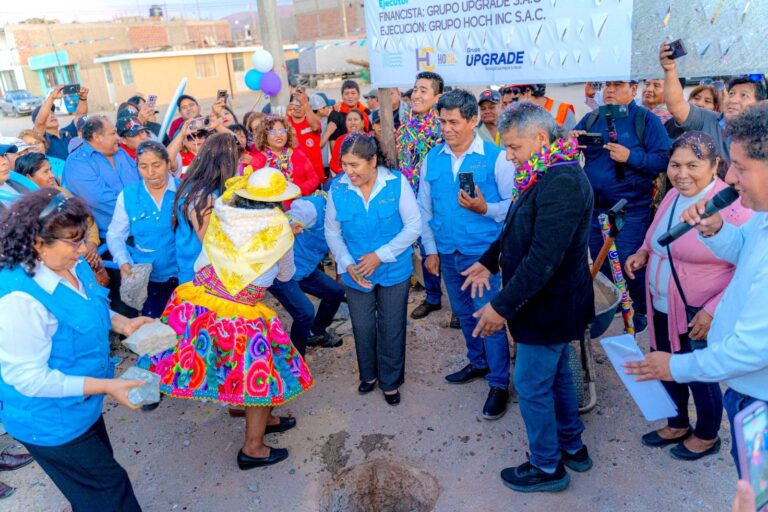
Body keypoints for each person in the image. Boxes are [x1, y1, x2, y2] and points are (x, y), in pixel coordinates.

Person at [624, 104, 768, 474]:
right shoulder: (762, 218)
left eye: (741, 167)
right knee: (752, 485)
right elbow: (741, 249)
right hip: (747, 390)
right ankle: (678, 424)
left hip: (759, 400)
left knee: (760, 488)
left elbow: (751, 350)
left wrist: (677, 364)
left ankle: (705, 433)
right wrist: (716, 230)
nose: (731, 178)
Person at [140, 167, 314, 469]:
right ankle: (253, 448)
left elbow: (202, 261)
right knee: (261, 377)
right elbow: (287, 275)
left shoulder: (223, 215)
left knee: (233, 367)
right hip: (241, 314)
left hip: (200, 300)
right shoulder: (280, 229)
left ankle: (259, 417)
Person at [462, 102, 594, 493]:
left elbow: (542, 259)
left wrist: (500, 307)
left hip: (548, 306)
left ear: (541, 139)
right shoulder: (544, 170)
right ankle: (572, 445)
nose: (508, 155)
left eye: (514, 147)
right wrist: (489, 261)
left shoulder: (563, 182)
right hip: (544, 303)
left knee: (532, 383)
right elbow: (517, 225)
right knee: (556, 377)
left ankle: (546, 467)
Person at [0, 189, 153, 510]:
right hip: (48, 419)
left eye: (82, 239)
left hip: (81, 402)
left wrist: (122, 323)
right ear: (37, 243)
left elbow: (88, 305)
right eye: (73, 242)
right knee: (110, 489)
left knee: (97, 488)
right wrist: (109, 386)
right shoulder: (19, 300)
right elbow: (29, 379)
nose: (82, 249)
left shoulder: (73, 262)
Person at [418, 89, 514, 419]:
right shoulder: (432, 159)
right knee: (463, 313)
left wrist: (485, 208)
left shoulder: (497, 157)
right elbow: (423, 208)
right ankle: (478, 363)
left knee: (488, 317)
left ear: (473, 120)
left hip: (483, 255)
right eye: (442, 121)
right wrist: (430, 251)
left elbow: (514, 208)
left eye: (454, 122)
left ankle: (500, 383)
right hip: (447, 253)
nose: (446, 128)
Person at [325, 133, 421, 406]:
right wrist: (346, 264)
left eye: (354, 165)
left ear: (373, 161)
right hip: (356, 272)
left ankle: (390, 382)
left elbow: (413, 226)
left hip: (393, 270)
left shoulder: (396, 182)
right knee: (363, 326)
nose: (348, 171)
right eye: (344, 164)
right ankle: (369, 375)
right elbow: (332, 232)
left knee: (392, 326)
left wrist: (380, 256)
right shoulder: (337, 188)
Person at [570, 80, 671, 333]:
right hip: (594, 210)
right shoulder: (593, 118)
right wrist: (571, 142)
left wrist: (631, 157)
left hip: (631, 210)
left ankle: (638, 312)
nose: (610, 90)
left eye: (617, 85)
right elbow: (568, 150)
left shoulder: (646, 120)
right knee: (601, 264)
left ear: (633, 89)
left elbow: (663, 160)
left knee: (628, 264)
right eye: (607, 85)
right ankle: (617, 308)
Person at [107, 141, 180, 318]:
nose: (150, 173)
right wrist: (123, 261)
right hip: (149, 279)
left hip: (183, 276)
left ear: (168, 163)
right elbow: (115, 234)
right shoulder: (128, 196)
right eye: (143, 166)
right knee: (154, 329)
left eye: (156, 165)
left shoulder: (184, 190)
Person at [661, 43, 767, 163]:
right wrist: (670, 70)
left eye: (744, 95)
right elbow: (676, 105)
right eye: (731, 93)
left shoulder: (763, 133)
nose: (733, 100)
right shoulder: (707, 120)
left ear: (761, 104)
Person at [396, 71, 446, 322]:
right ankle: (433, 297)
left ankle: (460, 306)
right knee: (427, 249)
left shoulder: (443, 127)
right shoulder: (405, 126)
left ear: (438, 97)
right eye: (415, 89)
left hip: (438, 198)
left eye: (423, 90)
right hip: (411, 197)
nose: (416, 94)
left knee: (445, 247)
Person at [269, 192, 345, 354]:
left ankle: (315, 333)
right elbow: (276, 225)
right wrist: (286, 227)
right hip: (281, 270)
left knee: (335, 292)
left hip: (305, 268)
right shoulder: (310, 209)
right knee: (305, 313)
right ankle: (296, 361)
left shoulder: (347, 217)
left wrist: (341, 276)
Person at [172, 133, 241, 284]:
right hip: (200, 279)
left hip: (201, 273)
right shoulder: (204, 198)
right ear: (225, 164)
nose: (238, 166)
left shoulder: (199, 186)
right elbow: (210, 243)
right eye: (236, 161)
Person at [14, 153, 103, 271]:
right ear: (29, 177)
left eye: (50, 170)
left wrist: (92, 244)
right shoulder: (26, 209)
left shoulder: (61, 193)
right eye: (45, 172)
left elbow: (87, 220)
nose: (52, 175)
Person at [61, 116, 141, 237]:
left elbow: (142, 180)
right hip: (110, 237)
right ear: (97, 137)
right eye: (113, 133)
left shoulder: (121, 153)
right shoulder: (77, 162)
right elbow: (100, 199)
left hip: (142, 225)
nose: (118, 138)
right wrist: (142, 212)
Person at [251, 115, 319, 196]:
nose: (279, 135)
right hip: (273, 206)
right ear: (264, 136)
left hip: (298, 203)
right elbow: (255, 187)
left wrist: (297, 190)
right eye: (273, 132)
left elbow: (314, 179)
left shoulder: (298, 154)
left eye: (282, 131)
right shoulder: (258, 160)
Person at [32, 84, 89, 161]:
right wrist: (52, 97)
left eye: (52, 112)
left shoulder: (67, 133)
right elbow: (39, 123)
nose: (52, 115)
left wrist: (83, 98)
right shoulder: (42, 139)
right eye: (47, 114)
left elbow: (80, 116)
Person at [287, 91, 325, 184]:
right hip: (295, 178)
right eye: (295, 104)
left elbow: (315, 127)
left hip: (316, 176)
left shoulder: (312, 121)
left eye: (301, 104)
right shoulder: (285, 124)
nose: (298, 108)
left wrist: (305, 104)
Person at [322, 80, 371, 147]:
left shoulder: (366, 112)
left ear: (359, 95)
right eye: (346, 94)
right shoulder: (336, 114)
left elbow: (370, 134)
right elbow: (333, 142)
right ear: (342, 96)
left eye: (353, 93)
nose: (350, 96)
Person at [330, 110, 367, 176]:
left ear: (362, 123)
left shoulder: (369, 139)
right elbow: (333, 163)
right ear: (345, 123)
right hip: (345, 175)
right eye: (349, 120)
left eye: (356, 119)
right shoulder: (340, 139)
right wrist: (346, 173)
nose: (352, 122)